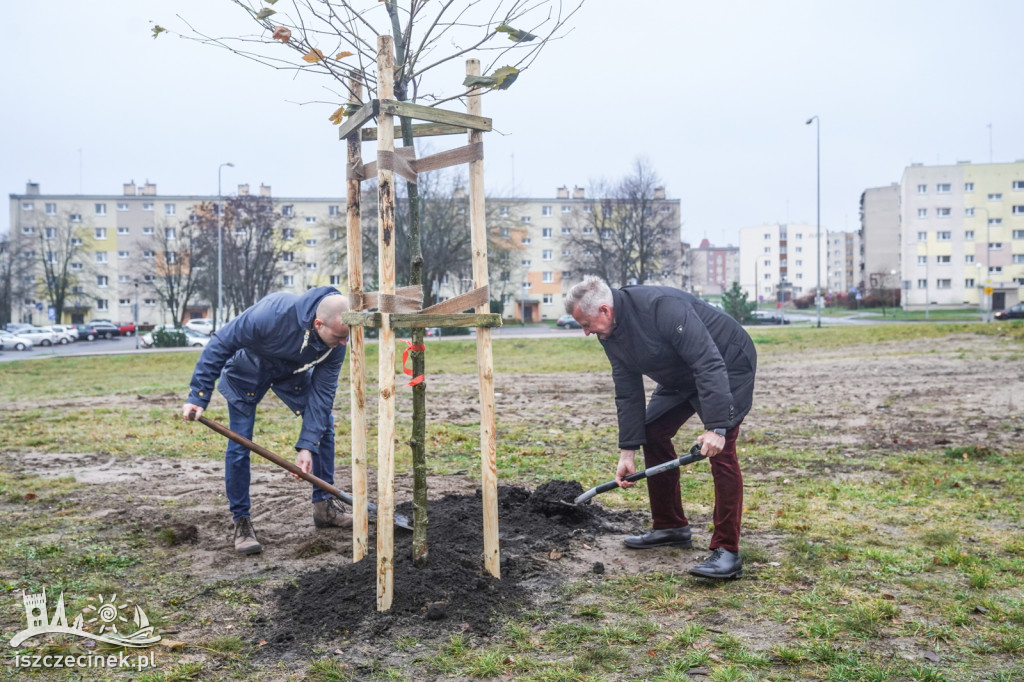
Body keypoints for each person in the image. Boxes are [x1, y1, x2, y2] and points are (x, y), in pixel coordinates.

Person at [565, 276, 756, 579]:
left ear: (604, 309)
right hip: (680, 374)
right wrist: (627, 452)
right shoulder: (610, 334)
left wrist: (717, 427)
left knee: (722, 451)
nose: (586, 332)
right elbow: (627, 390)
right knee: (652, 431)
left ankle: (727, 551)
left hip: (727, 364)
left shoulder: (661, 307)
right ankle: (670, 526)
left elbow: (707, 362)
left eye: (586, 324)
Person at [182, 286, 351, 555]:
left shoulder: (337, 344)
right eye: (340, 336)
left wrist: (307, 446)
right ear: (319, 323)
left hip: (290, 376)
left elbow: (322, 395)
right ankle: (242, 521)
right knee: (241, 444)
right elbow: (221, 342)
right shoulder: (272, 313)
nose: (344, 342)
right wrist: (198, 396)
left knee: (324, 428)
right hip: (246, 375)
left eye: (347, 337)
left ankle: (325, 506)